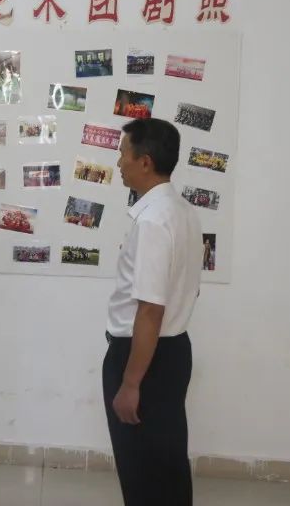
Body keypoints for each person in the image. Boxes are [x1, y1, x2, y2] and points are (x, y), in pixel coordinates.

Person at [104, 118, 202, 506]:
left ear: (144, 161)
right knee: (166, 465)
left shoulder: (153, 221)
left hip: (144, 357)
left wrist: (131, 383)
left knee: (142, 470)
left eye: (122, 154)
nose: (118, 163)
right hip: (172, 352)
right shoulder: (183, 211)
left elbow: (149, 309)